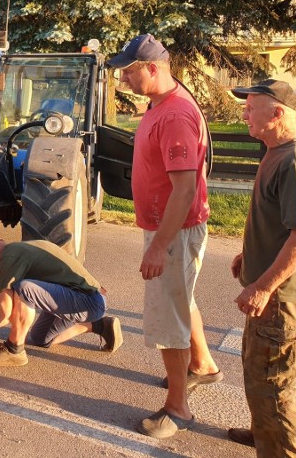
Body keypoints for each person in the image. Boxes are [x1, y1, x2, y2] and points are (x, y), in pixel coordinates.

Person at [108, 34, 222, 439]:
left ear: (152, 68)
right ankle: (203, 365)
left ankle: (178, 409)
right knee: (181, 301)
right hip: (170, 228)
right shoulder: (161, 105)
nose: (123, 78)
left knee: (168, 318)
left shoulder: (174, 115)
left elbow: (186, 188)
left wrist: (159, 244)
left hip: (172, 231)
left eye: (129, 71)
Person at [226, 79, 296, 456]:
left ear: (276, 113)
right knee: (260, 371)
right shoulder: (278, 150)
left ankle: (279, 448)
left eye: (250, 108)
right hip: (276, 289)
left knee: (272, 382)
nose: (244, 115)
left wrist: (263, 285)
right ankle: (263, 432)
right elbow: (277, 223)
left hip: (281, 296)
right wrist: (250, 257)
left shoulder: (293, 161)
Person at [0, 234, 122, 366]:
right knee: (41, 338)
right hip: (82, 300)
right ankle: (101, 325)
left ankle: (14, 350)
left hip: (87, 300)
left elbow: (4, 308)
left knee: (24, 288)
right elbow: (11, 312)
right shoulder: (23, 250)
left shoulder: (9, 255)